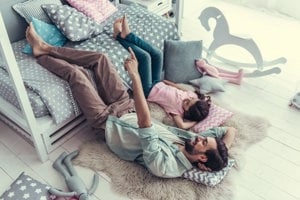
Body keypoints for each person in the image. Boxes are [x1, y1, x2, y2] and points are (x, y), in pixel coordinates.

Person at [25, 22, 236, 178]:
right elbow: (229, 132)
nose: (199, 137)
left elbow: (145, 125)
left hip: (106, 123)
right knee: (101, 59)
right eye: (204, 138)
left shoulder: (167, 167)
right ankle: (46, 47)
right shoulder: (191, 144)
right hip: (126, 108)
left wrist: (134, 76)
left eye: (203, 143)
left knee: (77, 75)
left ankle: (40, 54)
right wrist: (221, 157)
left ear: (201, 158)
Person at [113, 15, 212, 130]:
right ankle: (128, 35)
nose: (187, 100)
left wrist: (195, 122)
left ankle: (119, 37)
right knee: (158, 54)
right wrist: (166, 82)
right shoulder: (193, 95)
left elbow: (182, 125)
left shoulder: (177, 111)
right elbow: (178, 87)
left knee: (145, 57)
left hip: (148, 90)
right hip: (158, 82)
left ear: (187, 112)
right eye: (191, 100)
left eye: (187, 104)